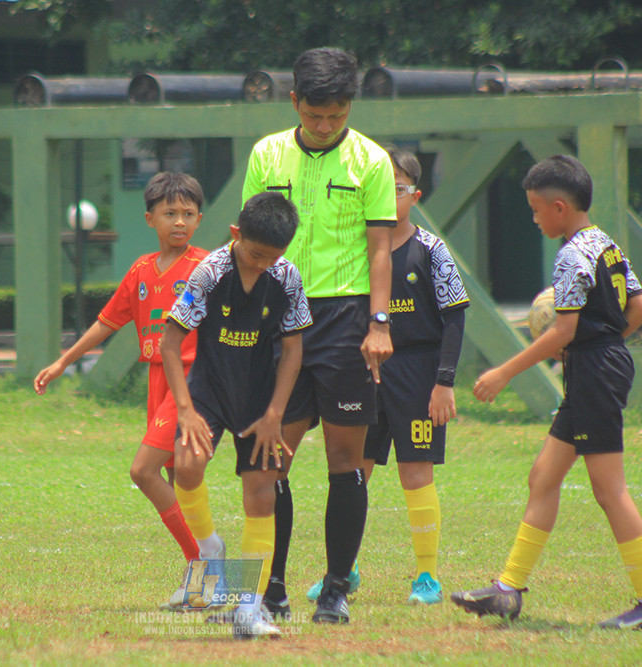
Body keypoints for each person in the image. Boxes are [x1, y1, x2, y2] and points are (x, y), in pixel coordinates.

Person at [451, 155, 642, 631]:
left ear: (558, 208)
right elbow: (640, 307)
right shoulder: (605, 245)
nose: (533, 219)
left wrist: (503, 373)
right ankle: (508, 590)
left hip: (595, 371)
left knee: (609, 490)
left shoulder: (573, 253)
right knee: (543, 476)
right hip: (598, 365)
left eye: (535, 210)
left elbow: (562, 331)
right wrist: (608, 341)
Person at [241, 46, 396, 624]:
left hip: (346, 319)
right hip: (281, 318)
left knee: (344, 456)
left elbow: (380, 249)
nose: (325, 125)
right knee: (271, 457)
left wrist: (379, 323)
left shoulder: (372, 162)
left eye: (336, 114)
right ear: (294, 103)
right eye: (314, 114)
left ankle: (335, 588)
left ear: (350, 105)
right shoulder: (266, 154)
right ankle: (271, 588)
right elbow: (252, 245)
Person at [33, 172, 208, 611]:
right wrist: (63, 361)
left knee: (142, 471)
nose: (180, 222)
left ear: (200, 219)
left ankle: (203, 562)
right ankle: (201, 580)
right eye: (170, 214)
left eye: (188, 214)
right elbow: (106, 323)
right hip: (156, 381)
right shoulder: (140, 271)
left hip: (190, 383)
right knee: (173, 479)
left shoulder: (208, 267)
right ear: (150, 218)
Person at [303, 149, 468, 605]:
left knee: (416, 473)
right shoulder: (358, 249)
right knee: (355, 469)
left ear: (414, 195)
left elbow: (455, 317)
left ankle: (427, 578)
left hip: (418, 371)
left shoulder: (431, 250)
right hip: (366, 368)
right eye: (381, 188)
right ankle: (345, 570)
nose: (389, 197)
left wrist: (444, 381)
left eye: (397, 188)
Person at [161, 192, 312, 639]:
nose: (262, 264)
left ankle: (248, 608)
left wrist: (275, 415)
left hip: (260, 398)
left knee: (261, 493)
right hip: (208, 393)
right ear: (235, 235)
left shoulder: (286, 278)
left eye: (273, 257)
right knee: (185, 467)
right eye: (255, 254)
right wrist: (186, 412)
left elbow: (293, 351)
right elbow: (171, 344)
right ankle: (210, 550)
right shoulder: (209, 272)